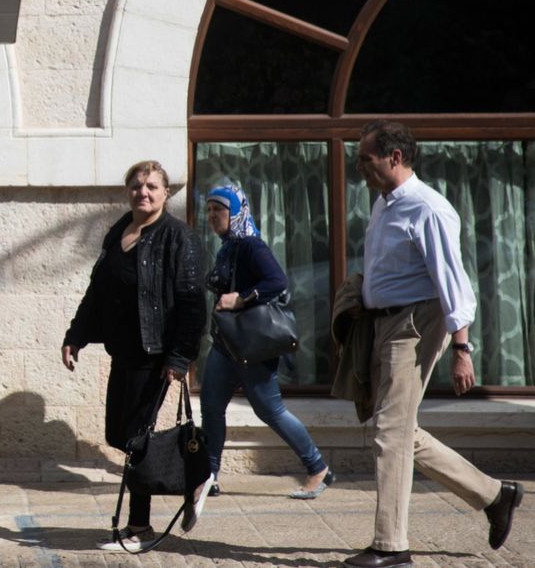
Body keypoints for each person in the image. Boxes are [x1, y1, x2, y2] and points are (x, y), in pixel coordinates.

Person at [343, 120, 523, 568]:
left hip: (415, 324)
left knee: (390, 431)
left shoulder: (427, 208)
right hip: (384, 324)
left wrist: (462, 350)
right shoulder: (384, 203)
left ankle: (391, 547)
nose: (359, 166)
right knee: (399, 430)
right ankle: (494, 495)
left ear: (394, 157)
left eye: (366, 158)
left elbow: (454, 284)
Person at [62, 159, 207, 552]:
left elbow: (193, 304)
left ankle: (139, 526)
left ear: (166, 193)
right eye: (137, 186)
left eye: (152, 186)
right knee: (118, 433)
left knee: (136, 438)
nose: (143, 192)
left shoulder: (179, 238)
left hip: (155, 355)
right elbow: (97, 292)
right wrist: (76, 336)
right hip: (123, 351)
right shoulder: (119, 231)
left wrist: (179, 358)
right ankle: (197, 475)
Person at [197, 182, 333, 500]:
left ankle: (318, 468)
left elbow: (277, 281)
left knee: (270, 410)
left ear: (236, 212)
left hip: (252, 346)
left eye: (219, 209)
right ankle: (209, 476)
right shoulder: (228, 246)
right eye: (209, 209)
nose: (212, 215)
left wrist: (241, 298)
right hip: (227, 344)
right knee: (211, 407)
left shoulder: (250, 246)